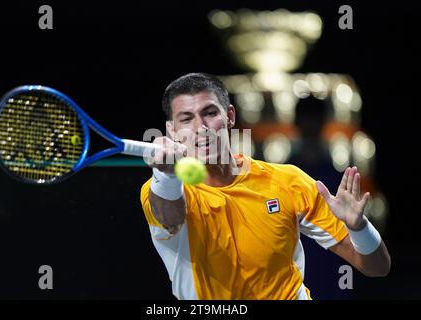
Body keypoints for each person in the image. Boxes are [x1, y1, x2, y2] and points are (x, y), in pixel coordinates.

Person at [139, 73, 391, 300]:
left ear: (229, 117)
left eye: (210, 113)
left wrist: (359, 227)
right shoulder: (163, 190)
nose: (200, 128)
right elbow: (170, 216)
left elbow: (378, 267)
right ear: (172, 131)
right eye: (186, 119)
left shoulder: (288, 181)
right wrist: (166, 175)